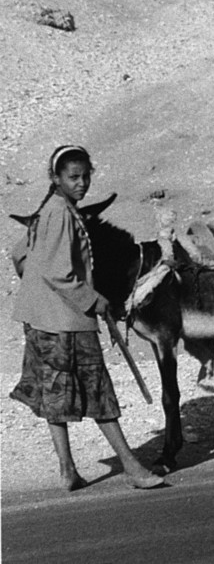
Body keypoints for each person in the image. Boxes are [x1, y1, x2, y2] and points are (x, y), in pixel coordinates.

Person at [9, 145, 164, 491]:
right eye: (73, 177)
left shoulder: (49, 209)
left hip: (41, 320)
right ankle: (132, 467)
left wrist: (36, 292)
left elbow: (19, 254)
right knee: (99, 392)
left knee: (55, 395)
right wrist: (94, 299)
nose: (81, 184)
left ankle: (68, 471)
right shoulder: (60, 213)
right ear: (56, 178)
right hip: (67, 322)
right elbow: (59, 271)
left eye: (85, 176)